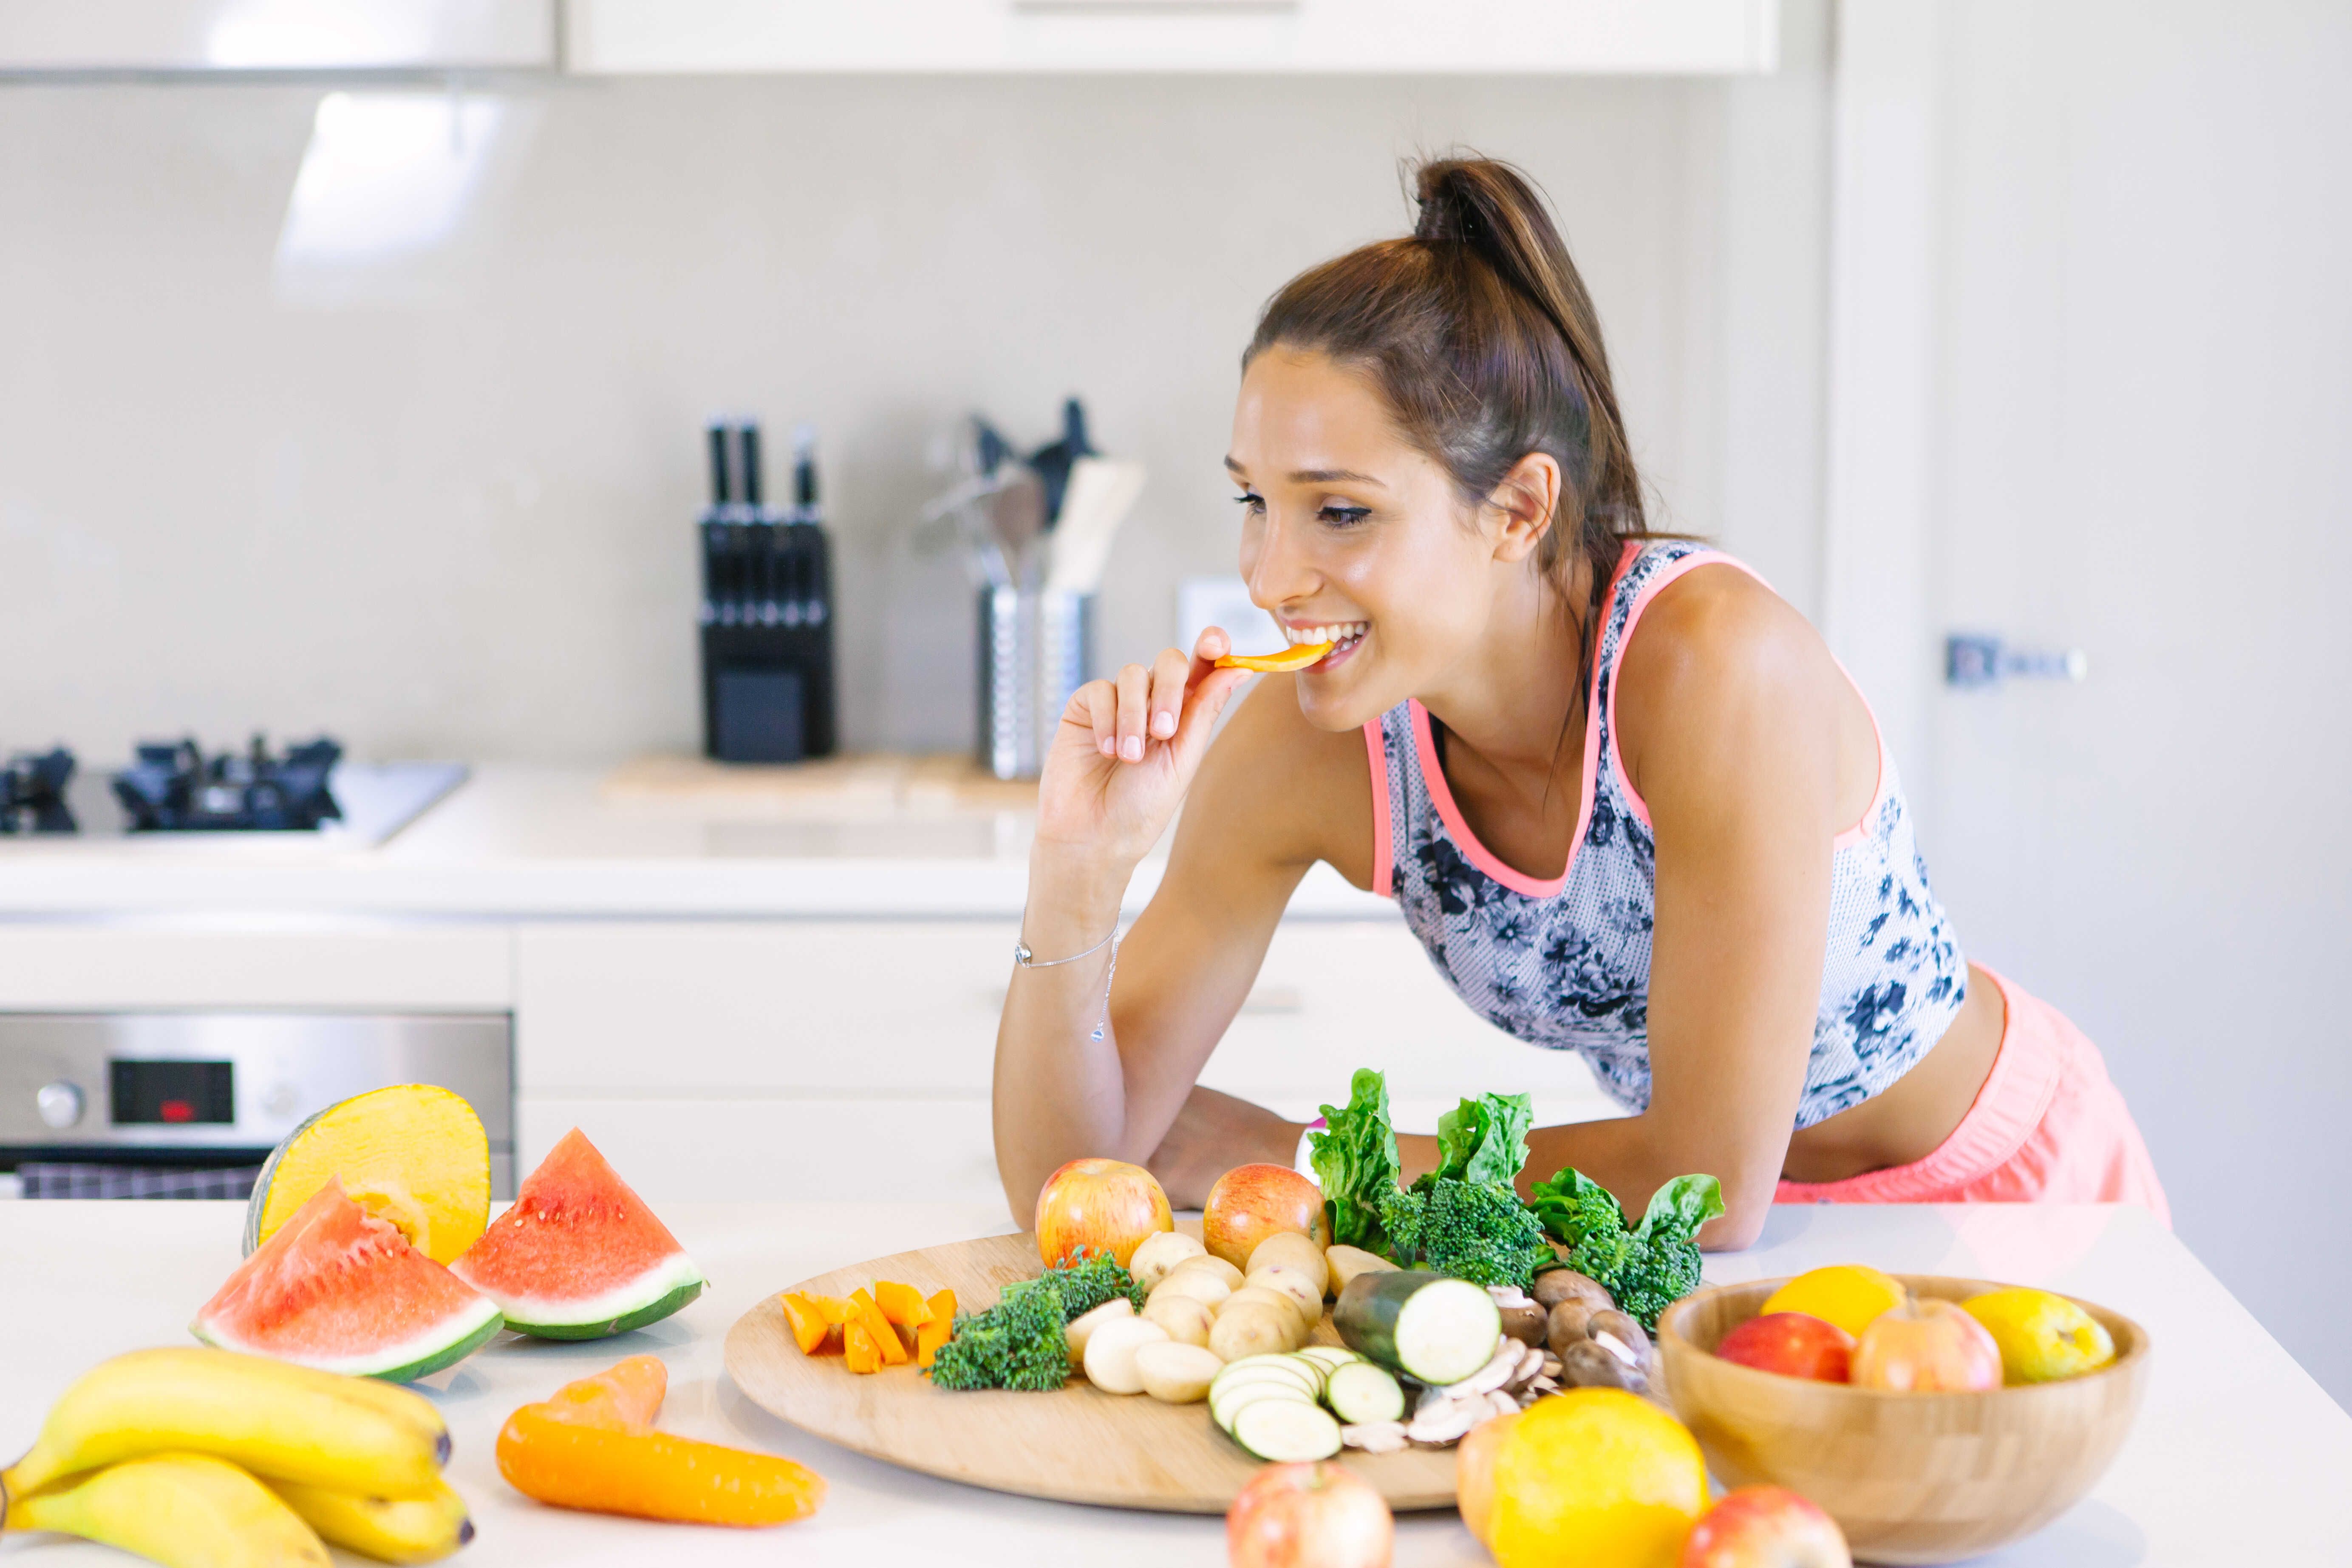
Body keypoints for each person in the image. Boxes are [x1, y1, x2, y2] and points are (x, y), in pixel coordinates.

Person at [992, 156, 2168, 1248]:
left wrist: (1305, 1162)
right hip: (1670, 1257)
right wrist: (1079, 869)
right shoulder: (1317, 745)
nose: (1269, 574)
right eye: (1255, 500)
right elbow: (1073, 1177)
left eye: (1339, 511)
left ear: (1517, 509)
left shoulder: (1712, 666)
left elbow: (1706, 1185)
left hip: (1998, 1205)